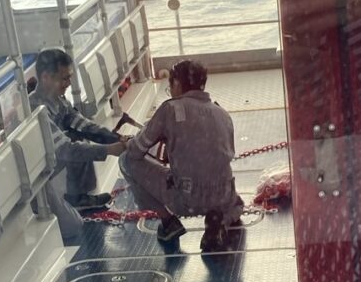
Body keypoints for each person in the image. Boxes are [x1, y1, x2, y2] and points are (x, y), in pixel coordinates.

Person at [121, 58, 243, 252]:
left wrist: (130, 142)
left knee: (125, 160)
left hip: (187, 199)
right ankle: (220, 220)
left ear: (176, 84)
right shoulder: (222, 113)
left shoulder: (170, 109)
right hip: (222, 195)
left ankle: (168, 222)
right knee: (236, 203)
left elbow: (136, 151)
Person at [29, 47, 126, 242]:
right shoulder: (36, 110)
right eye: (64, 79)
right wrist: (108, 150)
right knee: (73, 227)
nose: (68, 83)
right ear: (46, 77)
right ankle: (67, 205)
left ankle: (79, 198)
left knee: (78, 134)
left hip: (53, 159)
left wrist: (114, 138)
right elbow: (66, 151)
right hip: (39, 178)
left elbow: (81, 123)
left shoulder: (56, 100)